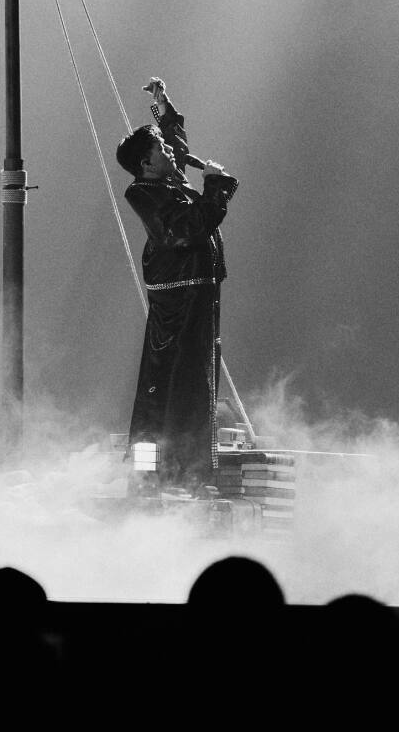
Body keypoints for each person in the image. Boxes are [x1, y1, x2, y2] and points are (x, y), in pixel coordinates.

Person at [115, 79, 238, 492]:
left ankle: (185, 472)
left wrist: (163, 107)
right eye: (160, 150)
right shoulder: (143, 193)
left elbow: (176, 146)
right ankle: (160, 473)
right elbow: (187, 229)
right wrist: (215, 187)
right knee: (173, 385)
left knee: (195, 382)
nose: (170, 153)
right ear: (146, 163)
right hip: (179, 301)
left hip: (196, 293)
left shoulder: (166, 179)